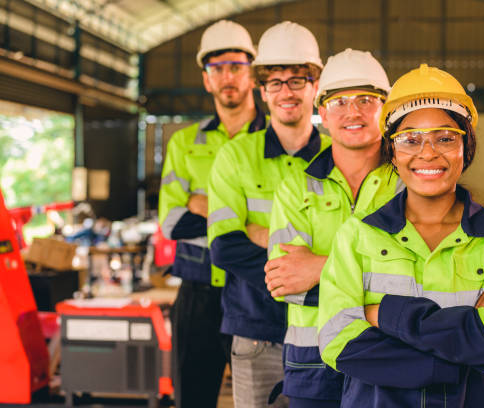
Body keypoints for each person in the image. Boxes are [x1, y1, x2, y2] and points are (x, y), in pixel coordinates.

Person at [317, 63, 484, 407]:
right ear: (392, 150)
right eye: (410, 139)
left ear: (467, 146)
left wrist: (380, 314)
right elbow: (337, 343)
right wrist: (465, 330)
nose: (428, 152)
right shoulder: (358, 236)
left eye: (445, 138)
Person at [265, 48, 404, 408]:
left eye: (366, 99)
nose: (353, 112)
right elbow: (286, 285)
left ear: (386, 111)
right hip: (313, 364)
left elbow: (424, 283)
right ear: (322, 113)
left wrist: (320, 267)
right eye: (339, 101)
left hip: (391, 357)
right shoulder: (295, 188)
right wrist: (382, 287)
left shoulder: (410, 184)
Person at [207, 21, 329, 408]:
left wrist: (261, 232)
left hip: (326, 331)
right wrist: (303, 272)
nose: (286, 92)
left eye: (297, 80)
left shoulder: (339, 158)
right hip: (258, 334)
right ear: (261, 90)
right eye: (275, 82)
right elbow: (226, 248)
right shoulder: (235, 156)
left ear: (316, 86)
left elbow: (355, 241)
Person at [158, 20, 266, 408]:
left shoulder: (276, 140)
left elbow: (286, 223)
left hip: (258, 290)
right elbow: (172, 222)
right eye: (216, 68)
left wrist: (205, 204)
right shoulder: (185, 144)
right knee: (193, 399)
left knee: (263, 397)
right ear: (206, 79)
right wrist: (245, 221)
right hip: (198, 293)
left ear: (252, 73)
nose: (227, 76)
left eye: (236, 66)